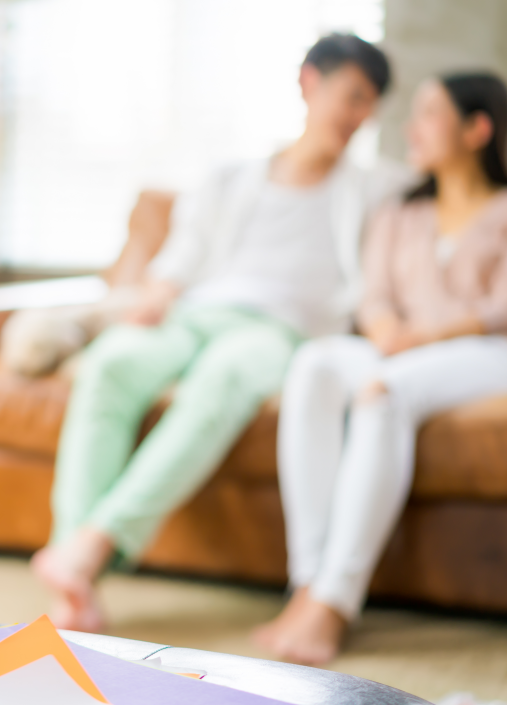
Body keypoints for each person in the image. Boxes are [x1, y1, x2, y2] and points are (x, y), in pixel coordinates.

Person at [31, 34, 409, 632]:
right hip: (195, 314)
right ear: (309, 83)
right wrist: (157, 293)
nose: (359, 115)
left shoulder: (376, 188)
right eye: (352, 96)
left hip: (278, 332)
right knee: (110, 364)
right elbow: (184, 256)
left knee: (223, 380)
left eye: (370, 105)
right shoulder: (231, 177)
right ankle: (74, 572)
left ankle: (95, 544)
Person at [253, 72, 507, 665]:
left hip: (488, 351)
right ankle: (308, 580)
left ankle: (336, 602)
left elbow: (500, 308)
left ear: (477, 129)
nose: (411, 128)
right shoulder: (400, 211)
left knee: (383, 390)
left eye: (429, 113)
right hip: (405, 345)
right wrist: (388, 329)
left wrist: (427, 335)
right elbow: (374, 296)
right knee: (315, 362)